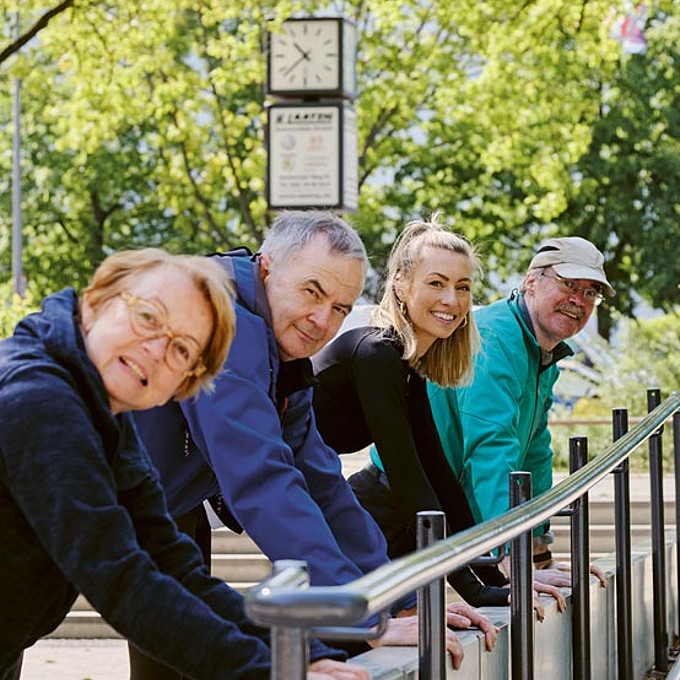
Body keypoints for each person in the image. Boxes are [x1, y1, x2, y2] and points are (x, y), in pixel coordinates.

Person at [132, 211, 496, 677]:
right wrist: (362, 614)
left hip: (141, 504)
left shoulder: (283, 352)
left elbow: (323, 482)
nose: (322, 320)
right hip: (48, 484)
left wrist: (395, 597)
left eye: (342, 308)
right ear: (267, 268)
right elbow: (263, 481)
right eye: (312, 292)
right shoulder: (223, 318)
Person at [0, 248, 366, 680]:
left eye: (181, 351)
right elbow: (120, 579)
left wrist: (301, 655)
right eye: (148, 317)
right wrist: (269, 671)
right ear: (98, 299)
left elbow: (172, 566)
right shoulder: (39, 397)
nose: (155, 349)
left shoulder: (108, 417)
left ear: (181, 387)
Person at [312, 215, 510, 610]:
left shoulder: (405, 364)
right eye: (436, 283)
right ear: (401, 285)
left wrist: (494, 578)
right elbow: (409, 481)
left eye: (463, 287)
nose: (451, 301)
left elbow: (438, 474)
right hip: (238, 479)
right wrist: (471, 589)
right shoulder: (375, 354)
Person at [427, 236, 613, 586]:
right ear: (531, 282)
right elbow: (489, 450)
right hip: (407, 508)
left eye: (590, 293)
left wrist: (539, 556)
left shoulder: (542, 352)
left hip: (450, 509)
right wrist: (515, 556)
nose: (578, 300)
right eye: (568, 284)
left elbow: (534, 455)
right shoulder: (495, 339)